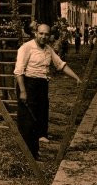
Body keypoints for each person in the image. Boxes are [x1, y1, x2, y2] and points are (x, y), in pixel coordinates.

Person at [14, 24, 81, 160]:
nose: (44, 37)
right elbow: (19, 71)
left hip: (42, 86)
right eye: (41, 34)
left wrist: (77, 78)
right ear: (35, 33)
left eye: (46, 34)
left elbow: (60, 65)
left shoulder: (48, 50)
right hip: (28, 85)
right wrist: (23, 91)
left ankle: (34, 152)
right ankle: (27, 155)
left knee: (39, 119)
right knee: (28, 121)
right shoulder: (26, 48)